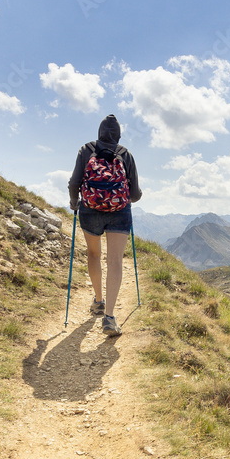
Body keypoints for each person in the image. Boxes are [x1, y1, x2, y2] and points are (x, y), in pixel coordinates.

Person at [68, 114, 142, 336]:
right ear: (118, 135)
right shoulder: (125, 154)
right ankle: (109, 317)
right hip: (119, 212)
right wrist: (124, 195)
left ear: (99, 132)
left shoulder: (86, 150)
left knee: (93, 254)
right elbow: (136, 195)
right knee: (115, 260)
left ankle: (98, 300)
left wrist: (75, 203)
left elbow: (74, 183)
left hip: (90, 210)